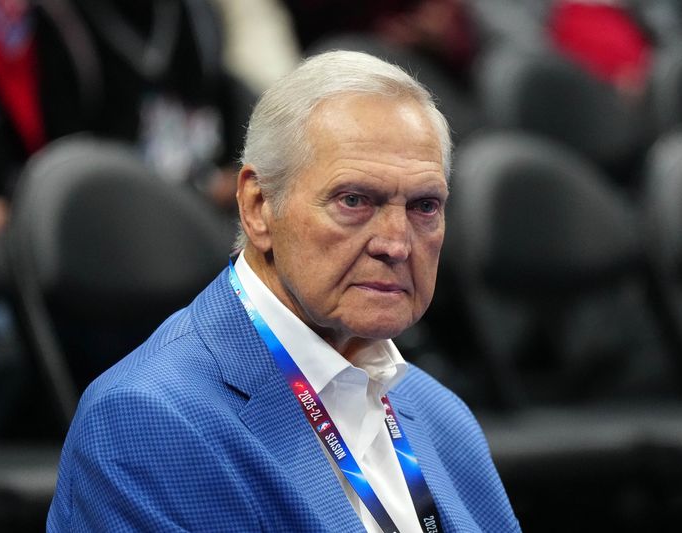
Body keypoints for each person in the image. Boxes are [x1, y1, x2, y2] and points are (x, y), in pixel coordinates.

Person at [46, 50, 520, 532]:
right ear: (257, 207)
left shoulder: (440, 416)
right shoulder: (150, 420)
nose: (396, 243)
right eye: (353, 200)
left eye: (424, 206)